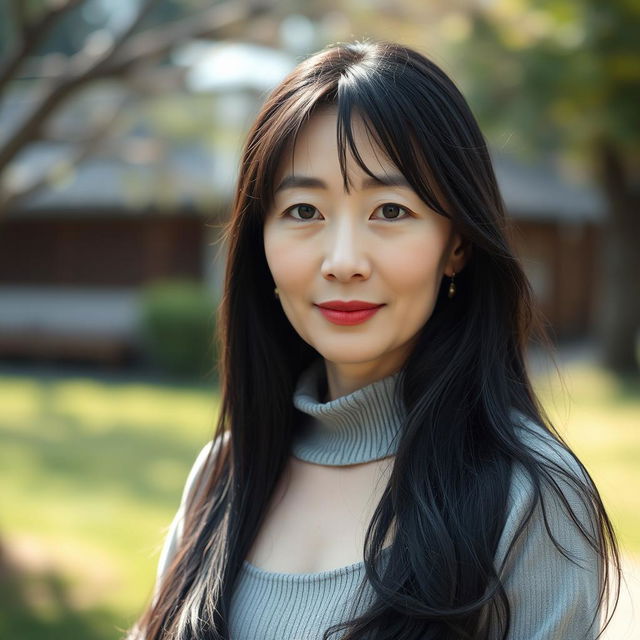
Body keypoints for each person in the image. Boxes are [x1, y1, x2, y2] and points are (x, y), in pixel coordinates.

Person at [126, 40, 621, 640]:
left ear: (457, 244)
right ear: (261, 243)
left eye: (389, 211)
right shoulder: (223, 474)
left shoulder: (528, 498)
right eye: (304, 211)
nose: (342, 261)